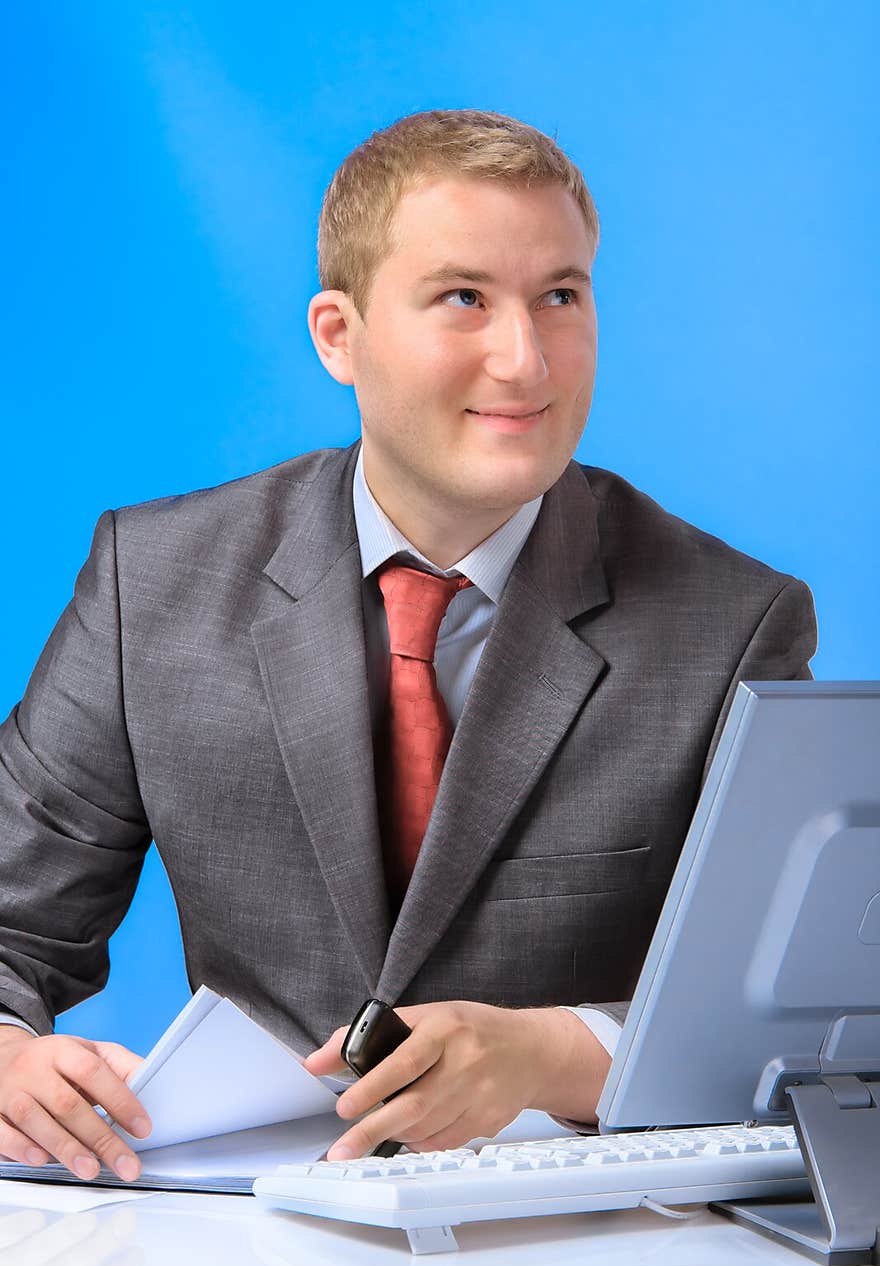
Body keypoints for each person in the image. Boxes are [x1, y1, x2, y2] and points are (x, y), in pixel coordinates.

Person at [0, 109, 816, 1181]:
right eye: (463, 298)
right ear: (338, 336)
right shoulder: (151, 583)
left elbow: (789, 1016)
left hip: (583, 1243)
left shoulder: (728, 622)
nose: (524, 360)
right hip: (235, 1232)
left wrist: (550, 1054)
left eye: (559, 296)